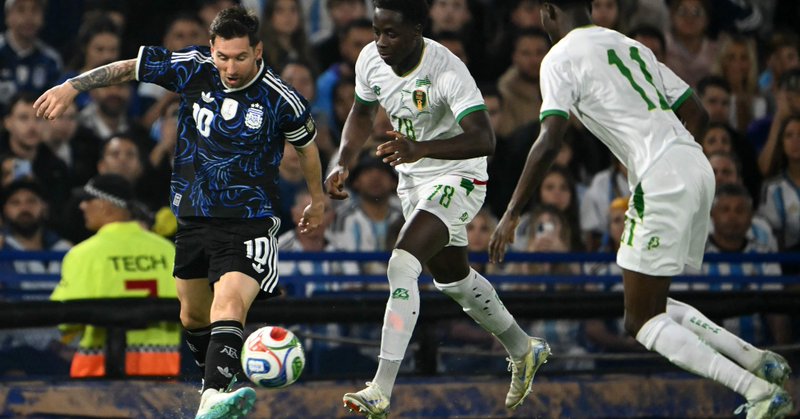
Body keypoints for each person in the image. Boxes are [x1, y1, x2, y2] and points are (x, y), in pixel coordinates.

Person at [488, 2, 793, 418]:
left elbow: (550, 139)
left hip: (661, 177)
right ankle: (759, 361)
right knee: (652, 303)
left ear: (548, 11)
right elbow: (697, 113)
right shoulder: (631, 46)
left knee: (641, 322)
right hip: (696, 166)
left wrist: (512, 211)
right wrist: (668, 160)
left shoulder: (559, 56)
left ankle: (757, 391)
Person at [34, 6, 325, 419]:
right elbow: (129, 67)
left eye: (240, 57)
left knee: (228, 304)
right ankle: (219, 388)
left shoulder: (281, 98)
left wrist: (317, 199)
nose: (230, 68)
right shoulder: (193, 67)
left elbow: (307, 148)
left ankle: (212, 394)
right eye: (223, 57)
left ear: (258, 51)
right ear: (212, 48)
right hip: (193, 218)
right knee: (192, 315)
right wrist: (72, 86)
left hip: (249, 221)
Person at [324, 1, 549, 416]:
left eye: (391, 33)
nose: (381, 42)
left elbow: (485, 139)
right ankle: (524, 348)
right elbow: (361, 111)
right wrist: (343, 161)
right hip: (413, 179)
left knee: (402, 264)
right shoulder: (371, 59)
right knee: (454, 279)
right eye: (377, 32)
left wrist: (421, 149)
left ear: (416, 30)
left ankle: (380, 389)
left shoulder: (447, 70)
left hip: (459, 176)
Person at [50, 174, 181, 378]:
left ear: (105, 205)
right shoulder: (167, 250)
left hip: (99, 378)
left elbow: (65, 322)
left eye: (88, 199)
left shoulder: (83, 254)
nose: (82, 206)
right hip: (162, 372)